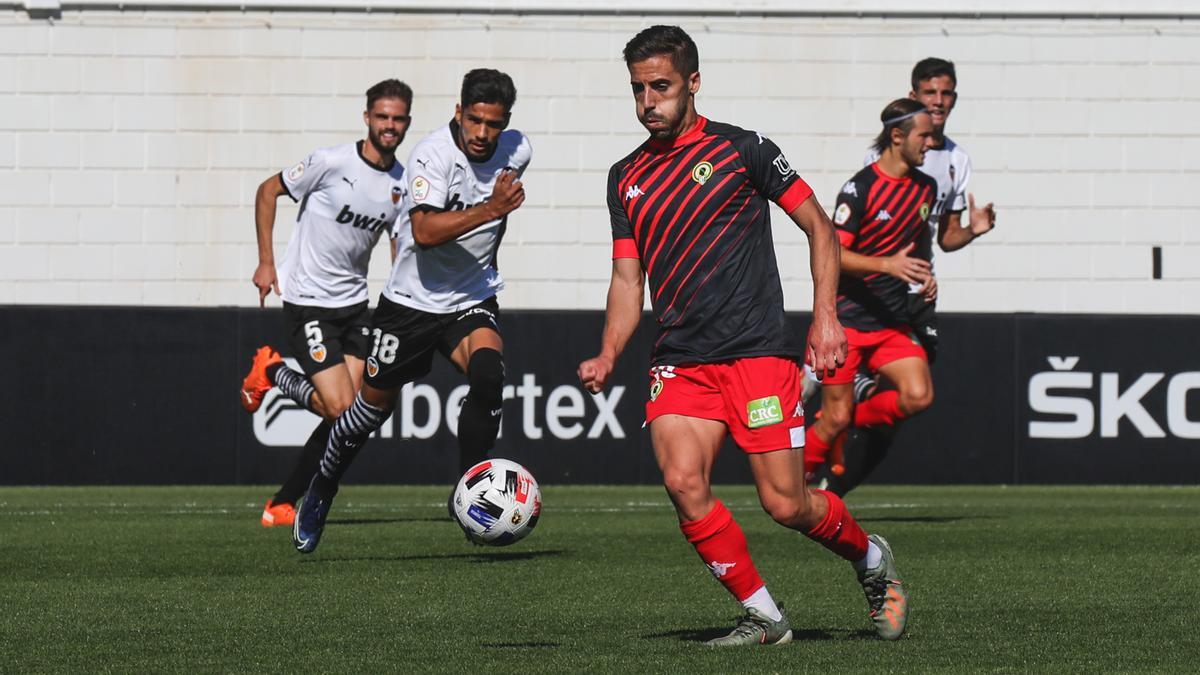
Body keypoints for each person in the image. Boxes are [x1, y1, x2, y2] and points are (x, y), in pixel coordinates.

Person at [576, 25, 908, 646]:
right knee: (682, 481)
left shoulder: (745, 150)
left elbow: (819, 228)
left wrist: (826, 317)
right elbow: (628, 277)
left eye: (661, 87)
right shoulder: (625, 177)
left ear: (693, 83)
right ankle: (764, 616)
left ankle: (870, 560)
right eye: (638, 89)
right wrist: (608, 352)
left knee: (787, 505)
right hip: (679, 359)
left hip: (756, 354)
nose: (649, 101)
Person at [292, 68, 532, 554]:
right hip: (410, 305)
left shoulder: (518, 149)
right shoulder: (432, 155)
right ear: (458, 112)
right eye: (476, 121)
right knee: (366, 412)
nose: (484, 134)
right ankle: (322, 488)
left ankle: (470, 482)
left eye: (495, 124)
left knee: (488, 374)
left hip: (471, 296)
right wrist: (490, 209)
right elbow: (422, 231)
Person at [812, 58, 997, 494]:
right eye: (930, 93)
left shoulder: (951, 165)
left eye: (946, 93)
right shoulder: (874, 168)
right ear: (914, 98)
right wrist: (887, 266)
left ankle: (835, 474)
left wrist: (969, 233)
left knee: (910, 400)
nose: (939, 102)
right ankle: (810, 478)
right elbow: (848, 245)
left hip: (908, 300)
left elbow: (938, 238)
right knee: (823, 401)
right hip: (857, 305)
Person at [238, 79, 414, 528]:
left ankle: (283, 502)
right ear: (367, 118)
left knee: (353, 416)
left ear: (407, 122)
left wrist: (402, 296)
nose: (389, 126)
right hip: (308, 300)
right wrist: (265, 262)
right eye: (382, 117)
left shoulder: (402, 182)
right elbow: (266, 191)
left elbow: (398, 245)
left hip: (355, 305)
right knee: (339, 408)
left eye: (397, 118)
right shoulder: (331, 162)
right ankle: (272, 371)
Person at [803, 99, 941, 492]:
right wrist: (886, 266)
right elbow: (833, 253)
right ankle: (797, 489)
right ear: (897, 137)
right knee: (832, 420)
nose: (930, 143)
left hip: (891, 323)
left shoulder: (925, 189)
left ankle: (852, 415)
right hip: (847, 324)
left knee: (919, 395)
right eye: (924, 135)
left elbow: (914, 252)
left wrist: (923, 278)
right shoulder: (859, 189)